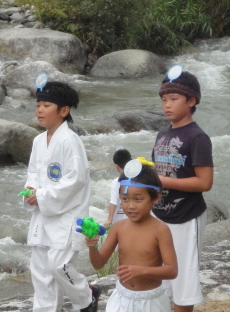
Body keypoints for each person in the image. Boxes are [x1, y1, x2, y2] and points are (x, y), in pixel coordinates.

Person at [22, 80, 100, 312]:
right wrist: (30, 191)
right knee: (40, 270)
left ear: (64, 111)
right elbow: (33, 173)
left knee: (58, 264)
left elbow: (76, 180)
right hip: (43, 214)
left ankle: (86, 295)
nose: (40, 110)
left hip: (66, 214)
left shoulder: (69, 140)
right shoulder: (38, 141)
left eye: (46, 105)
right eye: (38, 105)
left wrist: (42, 195)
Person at [152, 68, 214, 312]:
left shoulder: (198, 137)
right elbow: (159, 172)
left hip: (187, 217)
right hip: (160, 216)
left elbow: (204, 182)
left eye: (174, 99)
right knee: (160, 280)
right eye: (164, 99)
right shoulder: (161, 134)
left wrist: (162, 181)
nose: (167, 105)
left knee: (183, 282)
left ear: (191, 101)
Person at [85, 163, 178, 312]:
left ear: (156, 197)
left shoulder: (160, 230)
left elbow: (172, 270)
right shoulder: (118, 227)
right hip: (122, 297)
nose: (131, 206)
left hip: (151, 301)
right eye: (125, 199)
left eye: (138, 199)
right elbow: (98, 264)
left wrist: (142, 271)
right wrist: (92, 247)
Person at [105, 147, 133, 229]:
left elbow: (113, 202)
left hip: (119, 223)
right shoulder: (139, 180)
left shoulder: (116, 182)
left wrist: (109, 220)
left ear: (116, 166)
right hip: (133, 220)